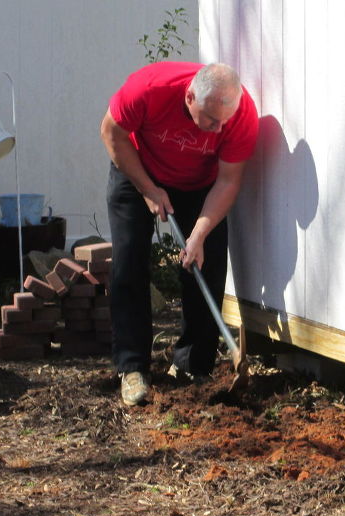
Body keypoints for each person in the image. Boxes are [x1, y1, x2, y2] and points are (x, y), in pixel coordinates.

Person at [100, 61, 259, 406]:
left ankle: (192, 365)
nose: (218, 131)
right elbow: (111, 133)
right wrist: (147, 189)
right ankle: (132, 367)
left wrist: (199, 233)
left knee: (208, 262)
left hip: (200, 184)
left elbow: (229, 180)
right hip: (137, 169)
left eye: (224, 122)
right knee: (128, 260)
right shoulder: (150, 90)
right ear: (190, 97)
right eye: (212, 121)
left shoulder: (240, 113)